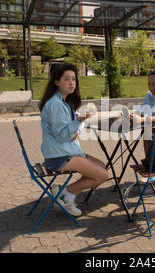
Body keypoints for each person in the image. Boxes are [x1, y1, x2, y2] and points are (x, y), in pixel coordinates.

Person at [39, 63, 108, 217]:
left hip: (68, 151)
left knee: (101, 166)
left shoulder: (65, 102)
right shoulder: (55, 105)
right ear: (56, 81)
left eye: (74, 79)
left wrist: (81, 121)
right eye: (66, 79)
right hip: (59, 156)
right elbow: (63, 136)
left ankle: (67, 196)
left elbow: (72, 133)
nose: (71, 83)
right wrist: (79, 121)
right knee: (103, 175)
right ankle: (65, 193)